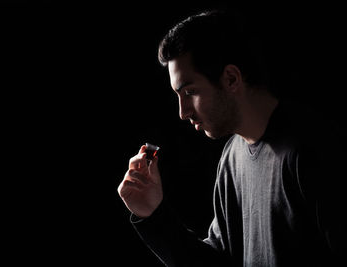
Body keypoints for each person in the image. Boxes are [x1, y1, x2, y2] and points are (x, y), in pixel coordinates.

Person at [117, 9, 345, 267]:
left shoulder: (314, 150)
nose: (183, 112)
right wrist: (153, 215)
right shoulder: (232, 159)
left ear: (231, 78)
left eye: (190, 91)